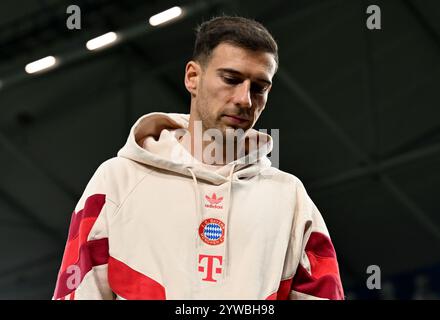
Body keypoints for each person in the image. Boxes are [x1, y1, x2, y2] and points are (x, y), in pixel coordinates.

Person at [52, 16, 344, 300]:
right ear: (193, 77)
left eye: (260, 87)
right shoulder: (118, 180)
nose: (245, 99)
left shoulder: (289, 197)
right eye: (231, 79)